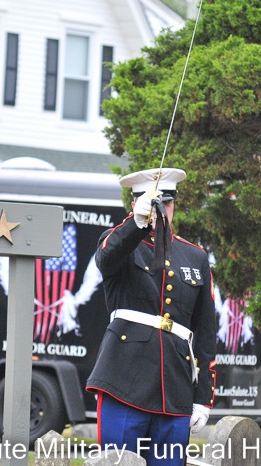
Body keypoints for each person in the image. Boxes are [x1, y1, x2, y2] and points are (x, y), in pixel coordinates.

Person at [86, 167, 217, 466]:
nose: (161, 209)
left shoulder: (194, 256)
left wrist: (202, 398)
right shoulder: (121, 244)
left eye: (166, 202)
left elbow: (205, 333)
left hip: (175, 389)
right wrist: (136, 222)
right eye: (154, 201)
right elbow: (106, 257)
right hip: (124, 384)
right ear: (135, 203)